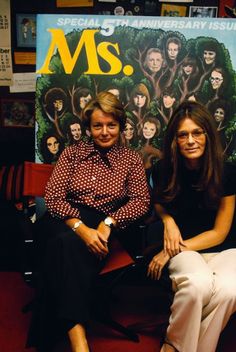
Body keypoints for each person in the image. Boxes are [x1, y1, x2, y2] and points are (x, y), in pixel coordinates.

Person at [27, 91, 150, 352]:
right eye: (97, 126)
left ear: (120, 126)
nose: (104, 132)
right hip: (62, 217)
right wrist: (80, 228)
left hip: (103, 222)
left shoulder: (131, 160)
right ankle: (79, 342)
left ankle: (66, 336)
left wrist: (109, 222)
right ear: (88, 128)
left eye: (111, 125)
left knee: (64, 246)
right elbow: (54, 198)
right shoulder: (72, 154)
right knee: (66, 241)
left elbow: (141, 201)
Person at [147, 100, 236, 352]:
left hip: (224, 249)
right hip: (187, 251)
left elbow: (219, 233)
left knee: (230, 291)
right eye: (183, 134)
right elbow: (159, 202)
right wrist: (168, 220)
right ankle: (175, 345)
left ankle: (174, 347)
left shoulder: (227, 172)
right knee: (197, 284)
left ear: (207, 134)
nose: (190, 140)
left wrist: (170, 251)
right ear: (175, 140)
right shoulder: (164, 169)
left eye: (197, 132)